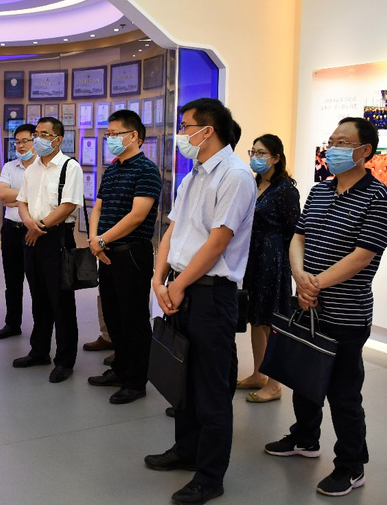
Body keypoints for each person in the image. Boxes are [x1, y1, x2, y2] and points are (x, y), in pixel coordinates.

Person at [265, 117, 387, 498]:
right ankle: (305, 438)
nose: (332, 148)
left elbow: (362, 256)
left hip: (346, 313)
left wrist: (315, 284)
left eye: (342, 143)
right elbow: (298, 237)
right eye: (331, 141)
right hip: (309, 305)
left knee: (343, 393)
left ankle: (352, 465)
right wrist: (300, 276)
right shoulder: (320, 190)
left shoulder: (378, 197)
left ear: (364, 151)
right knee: (304, 378)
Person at [144, 98, 256, 505]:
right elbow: (172, 231)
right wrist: (159, 279)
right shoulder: (193, 176)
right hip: (181, 286)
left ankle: (210, 476)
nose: (181, 134)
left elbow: (218, 242)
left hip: (211, 293)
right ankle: (186, 450)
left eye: (185, 126)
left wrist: (178, 286)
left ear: (207, 131)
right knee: (183, 379)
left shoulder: (236, 176)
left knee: (211, 389)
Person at [86, 109, 162, 404]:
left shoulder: (146, 170)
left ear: (134, 136)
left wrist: (102, 239)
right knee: (113, 316)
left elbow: (137, 215)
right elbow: (98, 207)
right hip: (106, 253)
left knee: (134, 319)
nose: (110, 139)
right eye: (108, 134)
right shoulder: (113, 169)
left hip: (131, 253)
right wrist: (95, 240)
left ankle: (136, 381)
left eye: (115, 134)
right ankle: (120, 369)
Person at [13, 117, 84, 383]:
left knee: (61, 301)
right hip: (32, 236)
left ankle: (65, 360)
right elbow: (22, 201)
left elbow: (68, 206)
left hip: (57, 238)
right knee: (39, 298)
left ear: (58, 139)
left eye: (44, 134)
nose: (38, 139)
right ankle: (39, 351)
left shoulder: (69, 167)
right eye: (37, 133)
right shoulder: (32, 169)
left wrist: (39, 226)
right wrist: (29, 223)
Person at [237, 134, 300, 403]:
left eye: (262, 153)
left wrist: (291, 267)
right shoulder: (253, 184)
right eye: (253, 152)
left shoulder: (286, 190)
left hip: (273, 260)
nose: (255, 157)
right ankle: (258, 373)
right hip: (252, 257)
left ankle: (275, 384)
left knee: (272, 322)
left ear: (276, 157)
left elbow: (295, 231)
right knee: (256, 318)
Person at [0, 124, 37, 340]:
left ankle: (40, 328)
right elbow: (2, 194)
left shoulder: (41, 167)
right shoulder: (9, 167)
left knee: (37, 282)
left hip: (33, 230)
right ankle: (12, 324)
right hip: (11, 229)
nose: (20, 145)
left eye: (25, 141)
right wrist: (27, 196)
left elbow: (43, 198)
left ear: (35, 141)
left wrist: (16, 198)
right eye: (17, 142)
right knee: (12, 281)